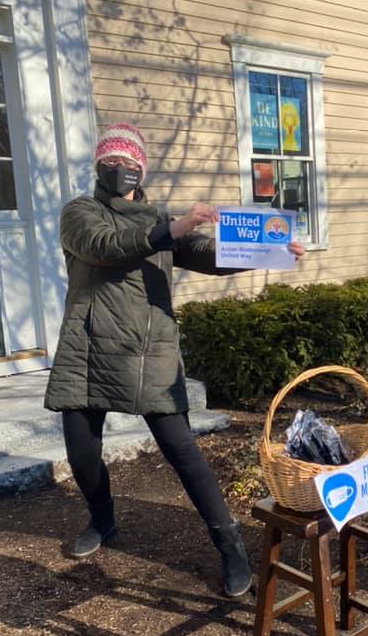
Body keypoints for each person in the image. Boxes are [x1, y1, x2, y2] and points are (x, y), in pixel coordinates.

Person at [44, 123, 304, 598]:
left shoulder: (159, 219)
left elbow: (207, 252)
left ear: (142, 169)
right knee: (82, 455)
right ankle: (102, 520)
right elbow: (105, 248)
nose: (122, 169)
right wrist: (172, 229)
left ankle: (230, 548)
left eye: (130, 162)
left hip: (149, 350)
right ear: (100, 165)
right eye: (113, 161)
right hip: (87, 351)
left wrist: (270, 250)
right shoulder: (80, 213)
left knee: (184, 454)